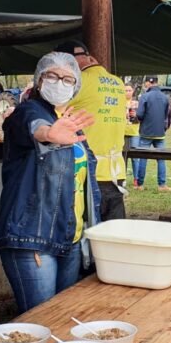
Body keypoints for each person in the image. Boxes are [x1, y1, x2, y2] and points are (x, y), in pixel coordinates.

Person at [0, 52, 101, 313]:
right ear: (39, 79)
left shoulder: (67, 122)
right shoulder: (27, 111)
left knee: (62, 318)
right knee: (40, 321)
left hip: (69, 237)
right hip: (33, 237)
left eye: (68, 79)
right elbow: (34, 127)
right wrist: (47, 134)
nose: (59, 82)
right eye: (52, 76)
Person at [56, 40, 128, 220]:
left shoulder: (77, 83)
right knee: (113, 236)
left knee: (87, 233)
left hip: (88, 172)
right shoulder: (117, 82)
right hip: (116, 172)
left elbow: (51, 113)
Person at [134, 76, 171, 192]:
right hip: (160, 132)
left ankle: (139, 185)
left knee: (143, 158)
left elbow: (140, 114)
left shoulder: (145, 96)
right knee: (161, 159)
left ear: (148, 83)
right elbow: (168, 115)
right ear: (157, 82)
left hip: (146, 132)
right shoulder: (165, 97)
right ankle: (162, 185)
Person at [123, 83, 140, 179]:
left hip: (134, 132)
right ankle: (122, 178)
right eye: (126, 90)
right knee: (122, 157)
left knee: (135, 158)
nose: (128, 92)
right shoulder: (119, 103)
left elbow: (142, 117)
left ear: (133, 91)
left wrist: (136, 116)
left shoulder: (137, 103)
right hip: (122, 132)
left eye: (129, 90)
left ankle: (136, 179)